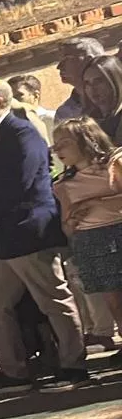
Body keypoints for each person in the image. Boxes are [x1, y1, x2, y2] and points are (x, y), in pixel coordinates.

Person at [0, 80, 91, 393]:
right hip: (1, 235)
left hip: (27, 231)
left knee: (53, 298)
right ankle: (14, 372)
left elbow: (17, 185)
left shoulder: (22, 134)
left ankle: (75, 367)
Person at [53, 117, 122, 366]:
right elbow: (66, 224)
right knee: (111, 297)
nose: (58, 150)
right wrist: (71, 222)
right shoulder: (63, 184)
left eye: (64, 143)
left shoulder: (113, 164)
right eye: (55, 145)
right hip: (90, 240)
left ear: (86, 140)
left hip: (117, 230)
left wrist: (96, 203)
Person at [56, 37, 106, 121]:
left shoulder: (115, 100)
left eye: (67, 59)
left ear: (89, 60)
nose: (59, 66)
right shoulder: (64, 113)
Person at [82, 54, 122, 141]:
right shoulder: (86, 120)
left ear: (114, 81)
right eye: (87, 83)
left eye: (98, 81)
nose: (92, 88)